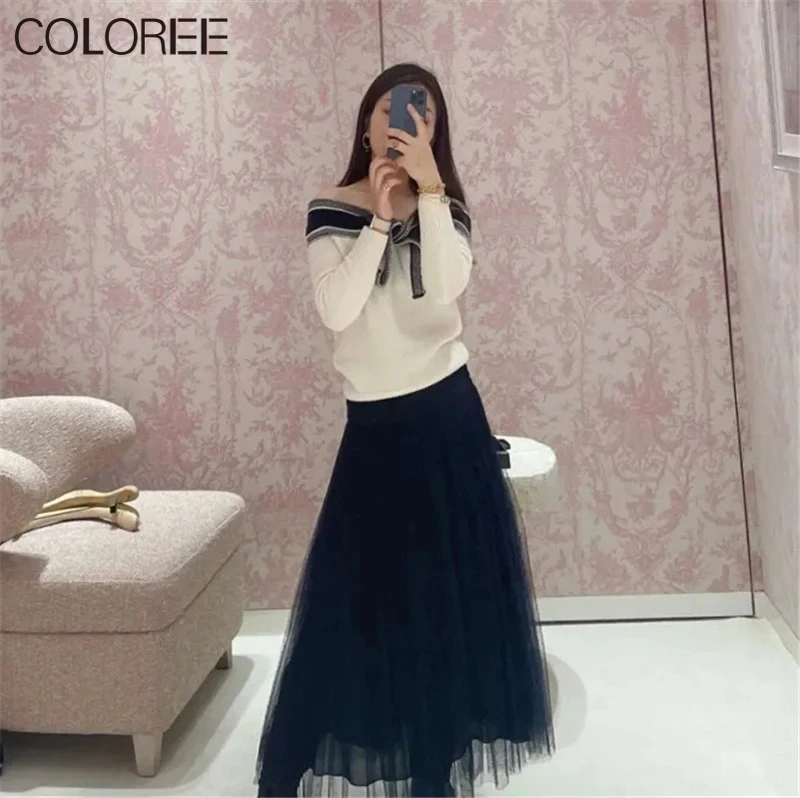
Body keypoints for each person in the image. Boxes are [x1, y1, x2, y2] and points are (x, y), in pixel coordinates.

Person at [255, 62, 554, 798]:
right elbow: (337, 310)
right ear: (366, 125)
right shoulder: (330, 207)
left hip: (449, 417)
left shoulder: (447, 209)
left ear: (433, 131)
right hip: (375, 428)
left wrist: (430, 192)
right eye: (389, 112)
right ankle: (286, 773)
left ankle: (432, 775)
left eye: (419, 116)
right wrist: (383, 220)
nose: (401, 126)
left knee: (447, 605)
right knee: (351, 603)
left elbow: (447, 288)